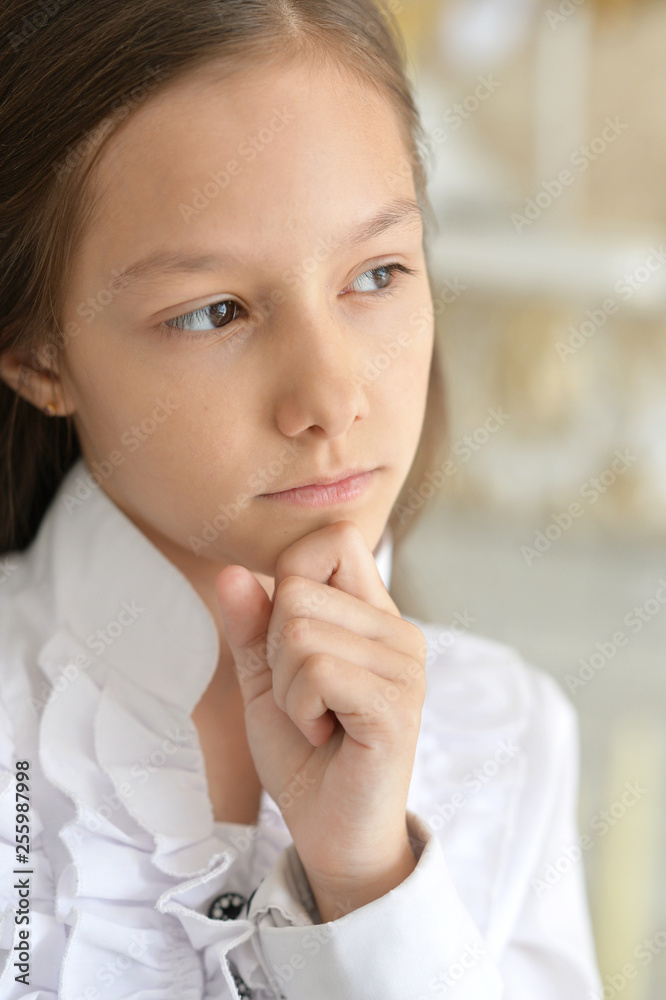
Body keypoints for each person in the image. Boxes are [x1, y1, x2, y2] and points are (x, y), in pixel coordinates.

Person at [0, 1, 602, 997]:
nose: (331, 398)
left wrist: (370, 882)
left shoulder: (512, 734)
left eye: (376, 274)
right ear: (37, 357)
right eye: (213, 311)